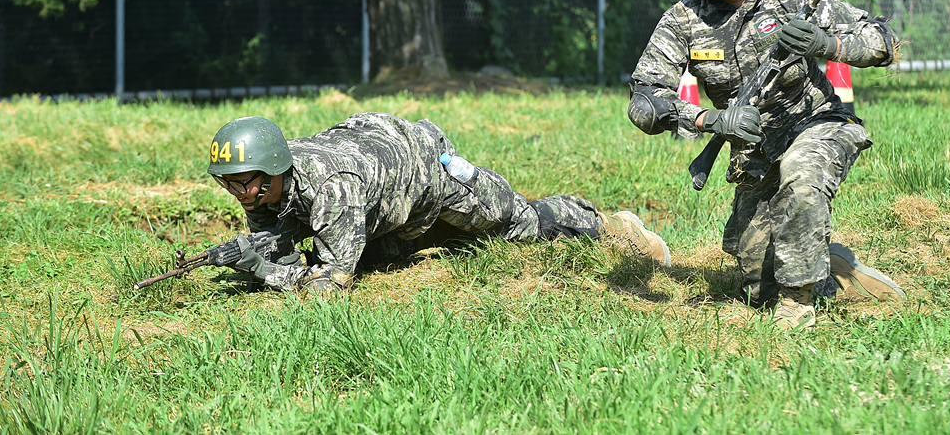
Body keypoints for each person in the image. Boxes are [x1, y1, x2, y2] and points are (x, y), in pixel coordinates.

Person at [627, 0, 905, 330]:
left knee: (801, 177)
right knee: (758, 286)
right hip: (753, 151)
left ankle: (798, 307)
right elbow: (645, 101)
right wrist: (709, 120)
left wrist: (827, 46)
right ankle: (833, 270)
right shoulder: (682, 20)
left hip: (817, 123)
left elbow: (882, 41)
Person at [204, 111, 671, 291]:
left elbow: (328, 288)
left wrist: (263, 270)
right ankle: (430, 238)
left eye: (252, 182)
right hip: (388, 205)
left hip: (429, 172)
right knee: (389, 255)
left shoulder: (333, 189)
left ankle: (608, 227)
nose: (244, 193)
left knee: (517, 223)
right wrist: (257, 254)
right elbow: (277, 242)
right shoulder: (265, 180)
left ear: (276, 167)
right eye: (232, 185)